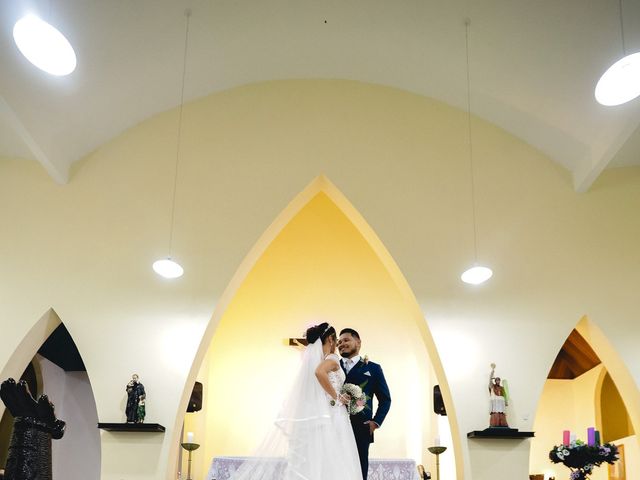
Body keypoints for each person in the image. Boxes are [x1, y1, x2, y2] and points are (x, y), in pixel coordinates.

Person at [228, 322, 363, 480]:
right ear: (331, 340)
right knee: (337, 459)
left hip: (325, 414)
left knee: (321, 458)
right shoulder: (332, 358)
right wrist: (337, 396)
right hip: (334, 415)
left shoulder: (318, 360)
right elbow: (319, 373)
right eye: (337, 340)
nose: (339, 344)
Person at [338, 328, 391, 480]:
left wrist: (375, 422)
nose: (341, 344)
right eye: (339, 342)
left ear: (358, 343)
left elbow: (385, 399)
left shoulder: (373, 368)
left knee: (359, 471)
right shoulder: (332, 366)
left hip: (361, 428)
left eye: (346, 340)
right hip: (333, 427)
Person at [488, 363, 508, 427]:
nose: (498, 381)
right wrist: (492, 372)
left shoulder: (502, 388)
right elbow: (490, 382)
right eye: (496, 380)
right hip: (495, 401)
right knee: (495, 413)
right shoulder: (493, 386)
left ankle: (502, 423)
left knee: (501, 413)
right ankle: (495, 423)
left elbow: (504, 395)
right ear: (495, 381)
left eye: (499, 380)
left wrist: (506, 401)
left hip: (501, 402)